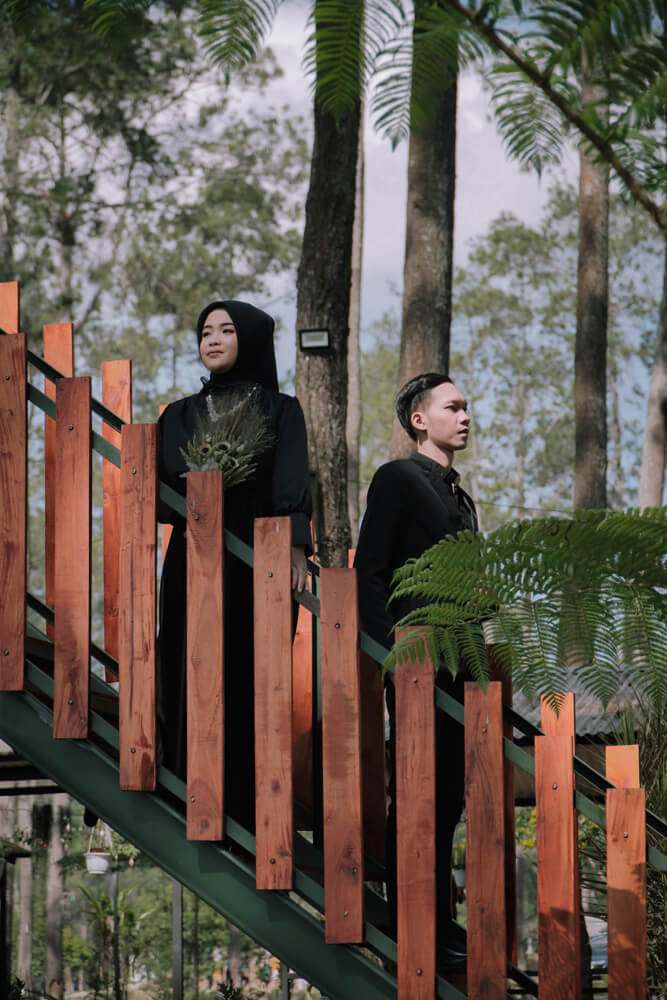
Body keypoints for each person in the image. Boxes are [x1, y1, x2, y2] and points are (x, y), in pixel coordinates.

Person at [157, 300, 312, 829]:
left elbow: (291, 481)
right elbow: (159, 492)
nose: (213, 339)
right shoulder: (177, 415)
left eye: (226, 330)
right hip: (191, 556)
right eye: (206, 331)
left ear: (251, 339)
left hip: (255, 561)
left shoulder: (280, 409)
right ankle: (185, 786)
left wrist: (296, 546)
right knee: (185, 658)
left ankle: (245, 806)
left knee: (249, 668)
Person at [353, 372, 477, 970]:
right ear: (419, 420)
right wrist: (392, 659)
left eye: (466, 407)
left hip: (461, 665)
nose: (466, 416)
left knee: (449, 795)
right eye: (453, 407)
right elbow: (371, 572)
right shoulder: (397, 478)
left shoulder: (461, 497)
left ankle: (439, 920)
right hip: (416, 662)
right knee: (417, 788)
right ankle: (409, 922)